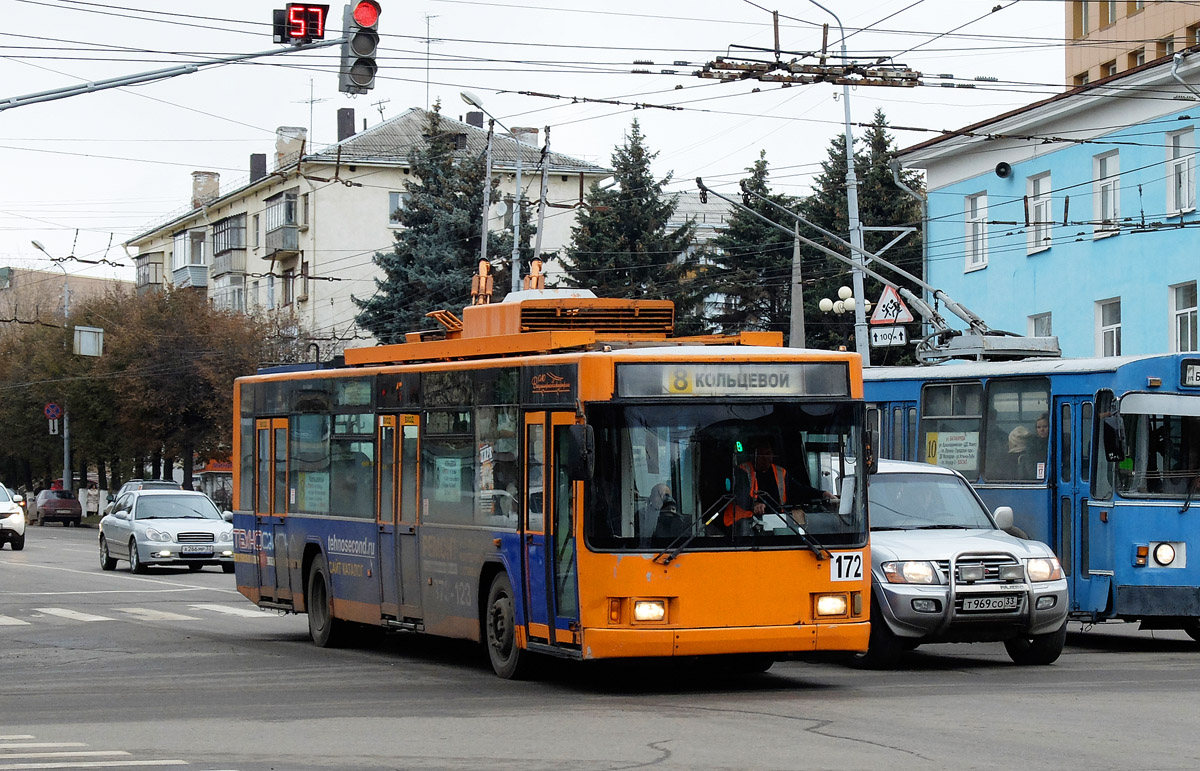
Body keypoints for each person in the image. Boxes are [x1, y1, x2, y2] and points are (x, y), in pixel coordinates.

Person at [724, 440, 835, 533]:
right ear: (754, 455)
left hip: (775, 522)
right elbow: (740, 495)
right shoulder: (742, 471)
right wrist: (753, 505)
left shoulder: (780, 472)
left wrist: (823, 494)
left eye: (768, 453)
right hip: (743, 526)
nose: (766, 458)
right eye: (762, 454)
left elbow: (800, 490)